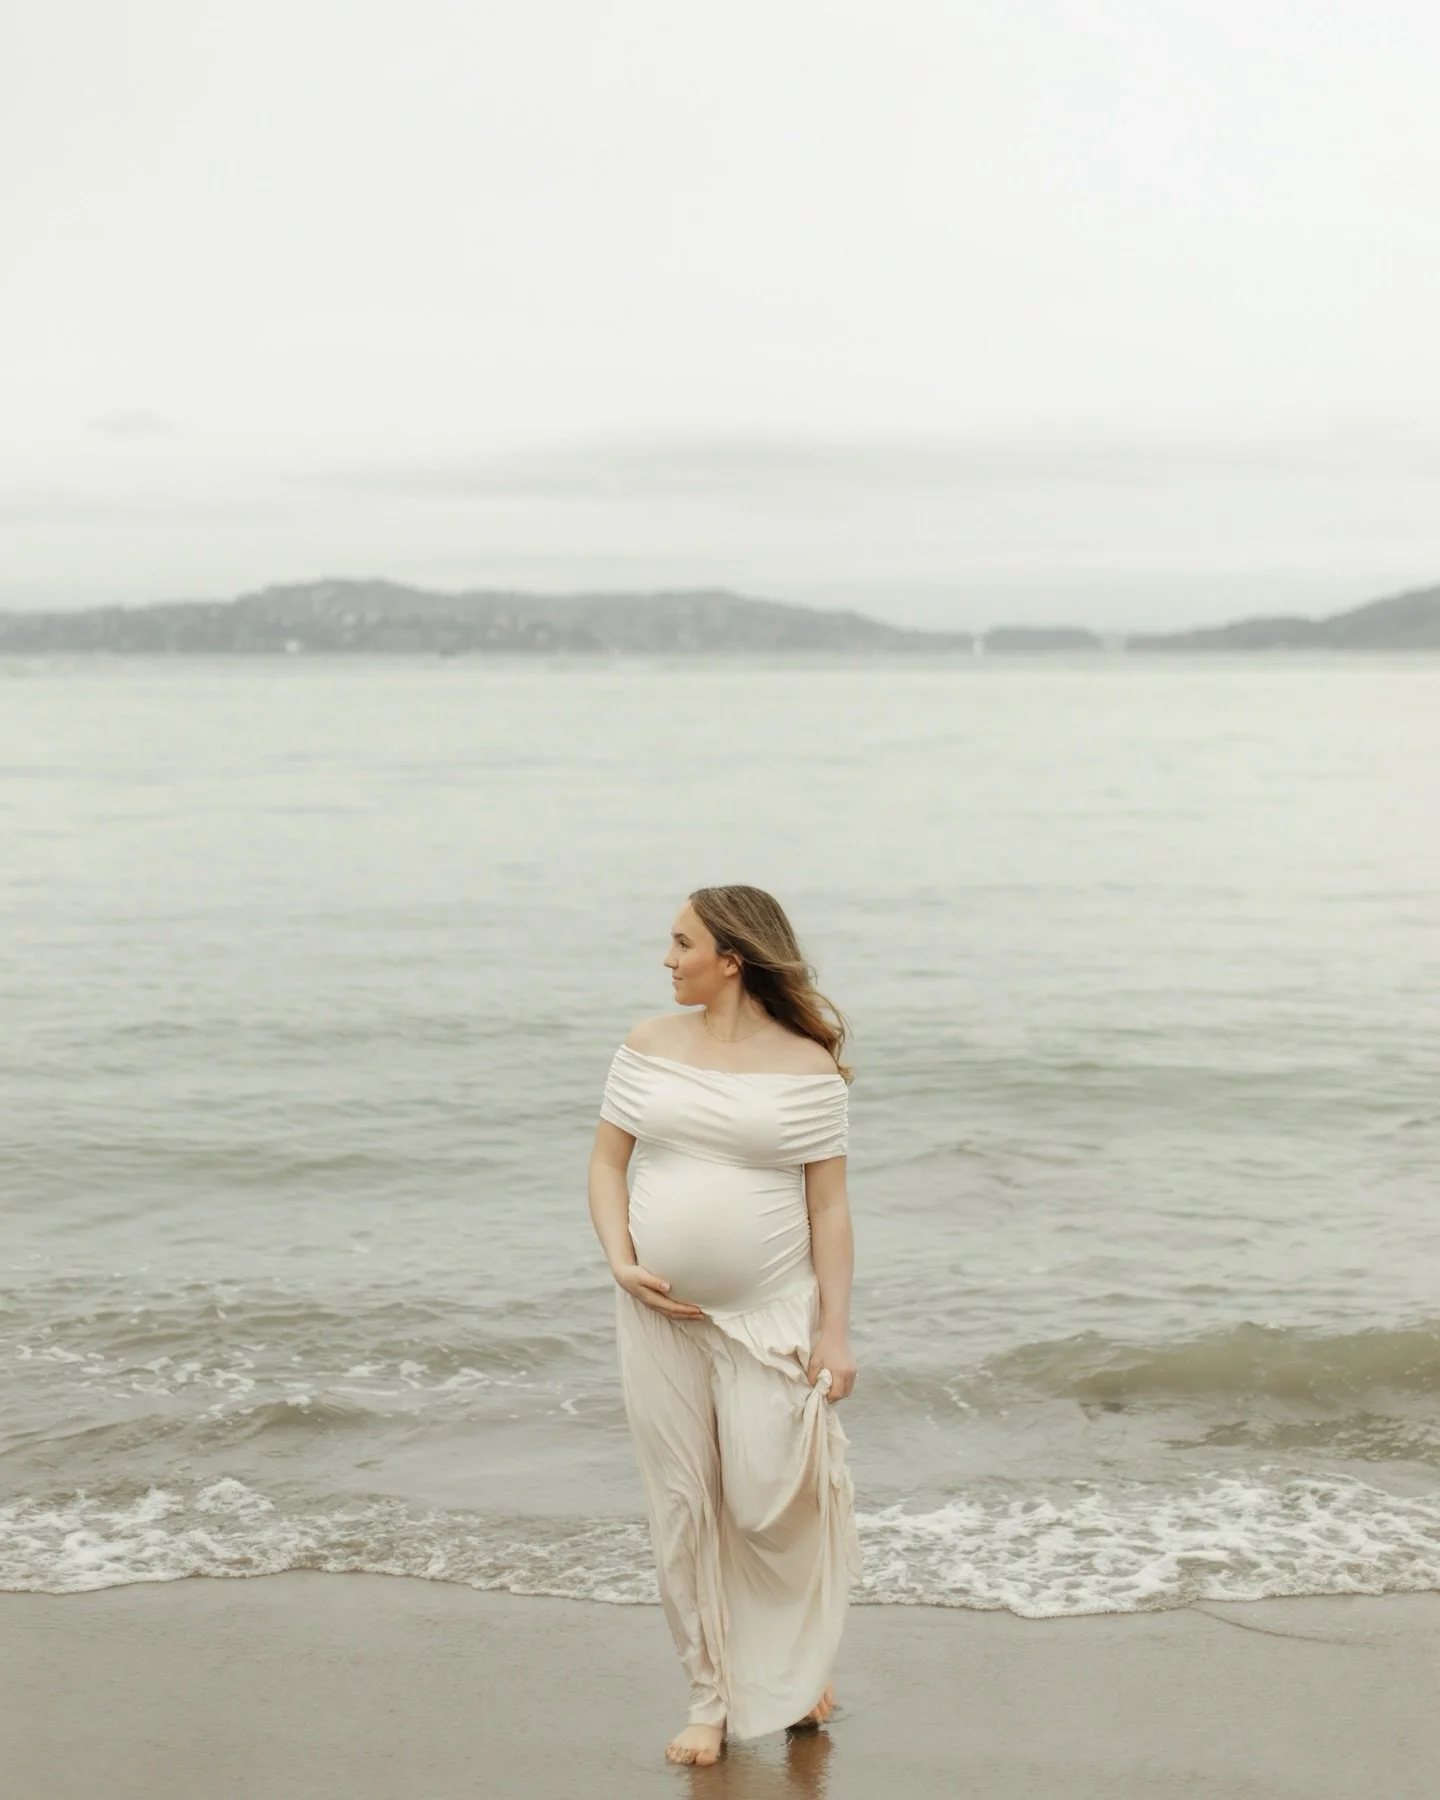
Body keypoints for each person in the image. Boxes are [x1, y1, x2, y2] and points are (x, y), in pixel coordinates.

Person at [587, 883, 861, 1767]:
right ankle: (709, 1698)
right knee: (682, 1506)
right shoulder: (647, 1045)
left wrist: (835, 1332)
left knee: (765, 1498)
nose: (667, 960)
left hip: (770, 1317)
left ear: (732, 958)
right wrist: (620, 1260)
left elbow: (830, 1209)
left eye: (681, 943)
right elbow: (605, 1161)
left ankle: (795, 1667)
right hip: (658, 1315)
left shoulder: (806, 1067)